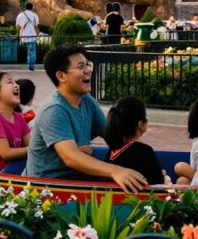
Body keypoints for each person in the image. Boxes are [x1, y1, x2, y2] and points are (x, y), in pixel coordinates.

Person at [25, 45, 147, 192]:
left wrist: (143, 164)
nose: (88, 70)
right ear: (61, 76)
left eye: (87, 64)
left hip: (79, 180)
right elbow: (71, 157)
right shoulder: (54, 110)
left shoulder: (87, 100)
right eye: (81, 66)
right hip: (48, 188)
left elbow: (113, 137)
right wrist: (116, 171)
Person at [103, 96, 165, 185]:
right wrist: (165, 179)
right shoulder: (145, 151)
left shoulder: (112, 151)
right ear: (141, 124)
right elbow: (158, 184)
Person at [16, 3, 40, 70]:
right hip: (32, 36)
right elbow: (36, 27)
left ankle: (25, 63)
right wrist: (38, 35)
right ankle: (31, 66)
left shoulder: (20, 15)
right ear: (32, 8)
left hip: (23, 37)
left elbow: (18, 26)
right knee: (32, 52)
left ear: (25, 7)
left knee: (24, 51)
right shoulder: (34, 15)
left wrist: (18, 35)